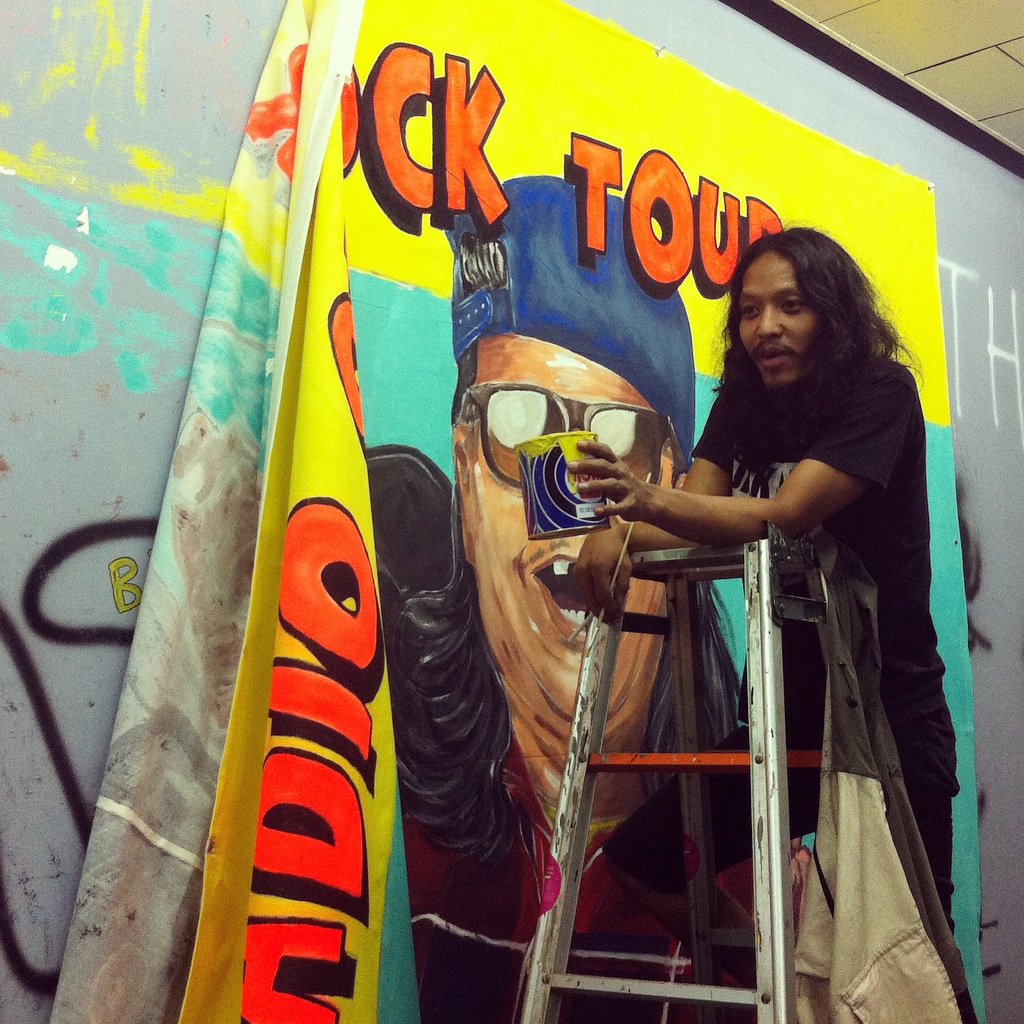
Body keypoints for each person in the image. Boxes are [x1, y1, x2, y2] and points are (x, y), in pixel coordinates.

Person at [572, 225, 974, 1018]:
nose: (767, 328)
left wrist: (641, 501)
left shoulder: (881, 393)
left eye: (791, 306)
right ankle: (794, 992)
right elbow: (694, 514)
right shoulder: (744, 404)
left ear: (833, 313)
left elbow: (787, 513)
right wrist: (615, 532)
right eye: (750, 311)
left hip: (884, 724)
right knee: (643, 858)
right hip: (781, 720)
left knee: (914, 966)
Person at [375, 175, 741, 1024]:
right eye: (521, 424)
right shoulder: (386, 824)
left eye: (616, 438)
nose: (568, 505)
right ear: (466, 467)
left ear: (671, 485)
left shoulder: (748, 859)